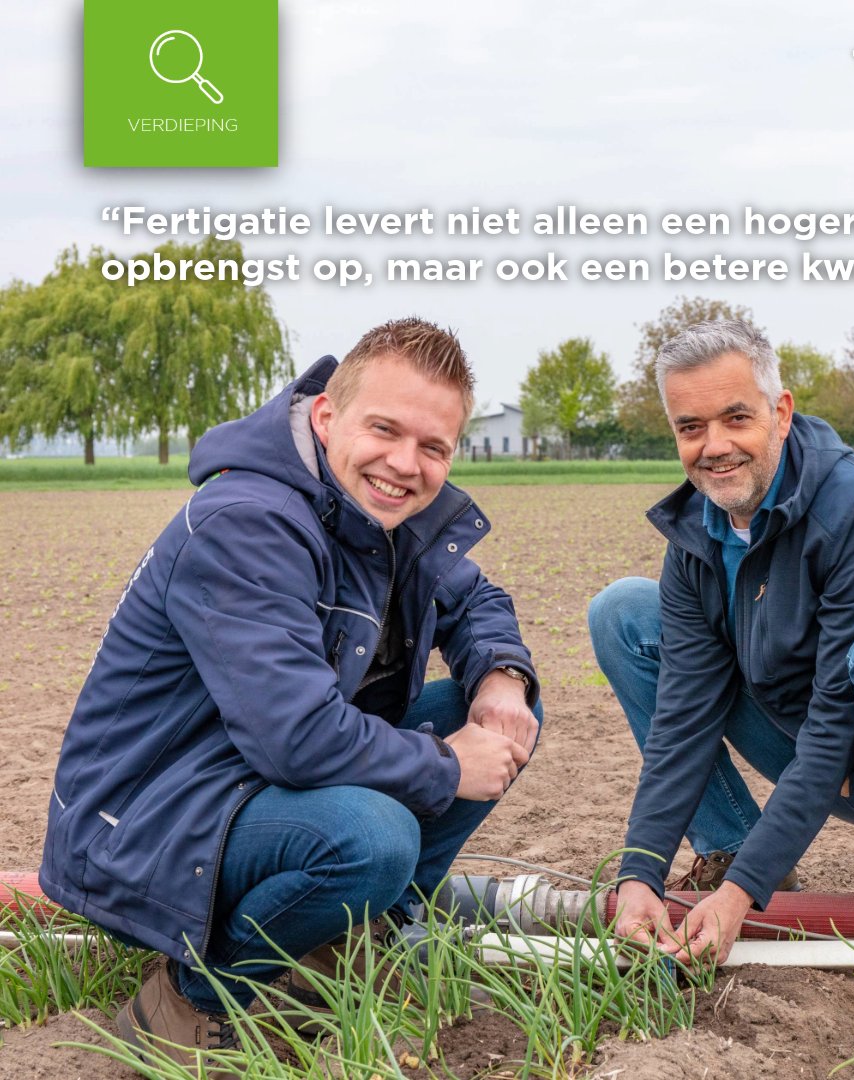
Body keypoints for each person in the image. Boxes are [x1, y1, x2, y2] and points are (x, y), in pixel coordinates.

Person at [40, 318, 540, 1070]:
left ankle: (351, 945)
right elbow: (297, 738)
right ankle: (195, 997)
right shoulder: (247, 522)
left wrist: (504, 680)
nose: (406, 464)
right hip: (149, 821)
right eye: (386, 429)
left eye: (434, 447)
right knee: (373, 837)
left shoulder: (374, 508)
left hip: (249, 783)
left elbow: (472, 599)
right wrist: (445, 766)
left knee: (500, 725)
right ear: (327, 415)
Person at [588, 320, 854, 965]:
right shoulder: (696, 533)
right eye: (690, 427)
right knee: (623, 612)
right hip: (819, 753)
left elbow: (834, 726)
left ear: (781, 412)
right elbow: (682, 719)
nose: (714, 446)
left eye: (736, 417)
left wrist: (744, 897)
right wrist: (639, 873)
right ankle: (731, 848)